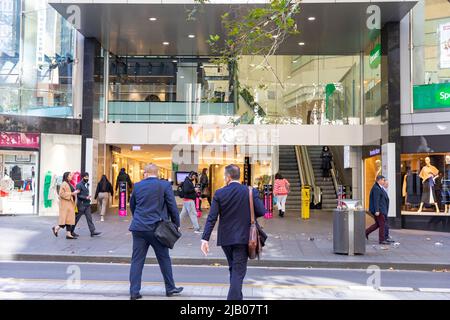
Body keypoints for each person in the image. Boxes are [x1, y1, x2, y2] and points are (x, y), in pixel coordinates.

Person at [201, 164, 266, 300]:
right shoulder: (249, 191)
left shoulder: (219, 193)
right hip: (244, 238)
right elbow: (261, 211)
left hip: (226, 239)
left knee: (234, 269)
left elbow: (212, 217)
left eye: (225, 176)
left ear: (228, 177)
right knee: (238, 272)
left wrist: (205, 239)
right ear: (238, 176)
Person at [129, 164, 183, 300]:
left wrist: (138, 218)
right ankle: (170, 288)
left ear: (145, 173)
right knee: (164, 258)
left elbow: (133, 205)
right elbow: (172, 206)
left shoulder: (137, 186)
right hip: (157, 229)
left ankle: (134, 292)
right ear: (157, 173)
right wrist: (176, 224)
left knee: (137, 260)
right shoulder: (164, 186)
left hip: (139, 228)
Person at [51, 172, 80, 240]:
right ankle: (56, 228)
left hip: (69, 204)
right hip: (66, 204)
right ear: (66, 176)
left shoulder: (68, 183)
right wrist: (73, 193)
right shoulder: (64, 184)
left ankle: (68, 234)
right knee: (66, 219)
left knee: (68, 220)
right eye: (70, 175)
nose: (71, 176)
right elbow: (61, 194)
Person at [73, 172, 102, 238]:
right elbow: (78, 194)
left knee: (89, 218)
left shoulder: (87, 184)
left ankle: (92, 231)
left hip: (87, 204)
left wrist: (87, 197)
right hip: (81, 205)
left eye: (88, 177)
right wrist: (85, 197)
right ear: (82, 177)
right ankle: (71, 231)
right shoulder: (79, 185)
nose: (87, 178)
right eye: (86, 177)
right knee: (76, 219)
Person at [366, 175, 390, 245]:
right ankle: (381, 240)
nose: (384, 181)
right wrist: (377, 210)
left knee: (378, 224)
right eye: (383, 180)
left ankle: (366, 232)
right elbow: (376, 200)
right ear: (379, 180)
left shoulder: (379, 187)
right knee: (382, 224)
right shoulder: (376, 188)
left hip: (381, 210)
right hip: (379, 210)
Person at [382, 179, 394, 243]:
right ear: (383, 184)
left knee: (382, 224)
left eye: (388, 184)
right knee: (385, 224)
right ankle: (385, 237)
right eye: (386, 184)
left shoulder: (385, 190)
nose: (387, 185)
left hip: (385, 210)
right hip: (383, 210)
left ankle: (386, 236)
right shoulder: (382, 190)